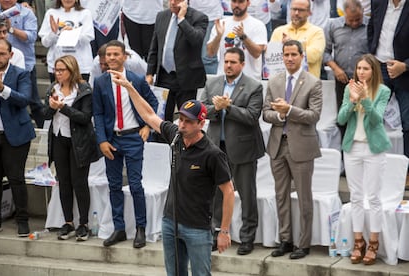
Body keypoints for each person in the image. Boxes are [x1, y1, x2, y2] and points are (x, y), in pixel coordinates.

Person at [108, 66, 234, 275]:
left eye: (188, 121)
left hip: (197, 227)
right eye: (181, 119)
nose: (182, 124)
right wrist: (129, 87)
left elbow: (228, 191)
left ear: (201, 123)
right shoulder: (176, 135)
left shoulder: (212, 153)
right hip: (170, 222)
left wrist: (225, 231)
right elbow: (149, 115)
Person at [92, 40, 158, 248]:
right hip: (111, 139)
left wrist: (147, 126)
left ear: (124, 57)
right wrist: (102, 140)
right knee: (113, 185)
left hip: (133, 137)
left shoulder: (136, 80)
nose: (111, 58)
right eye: (108, 55)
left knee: (136, 185)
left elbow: (153, 103)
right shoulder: (100, 82)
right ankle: (118, 228)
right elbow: (98, 113)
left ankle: (140, 228)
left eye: (115, 54)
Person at [200, 47, 264, 255]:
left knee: (247, 194)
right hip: (216, 148)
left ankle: (247, 237)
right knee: (215, 194)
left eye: (233, 62)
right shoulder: (212, 83)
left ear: (242, 64)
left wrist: (228, 108)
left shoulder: (253, 86)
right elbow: (199, 111)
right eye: (226, 61)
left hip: (244, 149)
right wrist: (216, 109)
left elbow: (252, 116)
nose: (228, 65)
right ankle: (216, 233)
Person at [262, 39, 322, 259]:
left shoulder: (313, 83)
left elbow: (313, 116)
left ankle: (303, 244)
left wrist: (289, 110)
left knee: (304, 196)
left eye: (293, 55)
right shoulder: (274, 81)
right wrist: (279, 115)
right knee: (281, 195)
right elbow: (265, 113)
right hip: (278, 144)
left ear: (301, 56)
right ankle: (285, 239)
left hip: (302, 146)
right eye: (286, 55)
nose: (289, 59)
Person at [337, 54, 392, 265]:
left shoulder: (383, 91)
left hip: (373, 148)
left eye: (365, 69)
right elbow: (341, 119)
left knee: (375, 197)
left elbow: (377, 120)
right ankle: (358, 241)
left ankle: (373, 243)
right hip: (352, 149)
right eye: (359, 68)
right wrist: (352, 100)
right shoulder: (349, 88)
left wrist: (365, 99)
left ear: (374, 71)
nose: (361, 72)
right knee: (356, 197)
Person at [43, 55, 100, 241]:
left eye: (62, 70)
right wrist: (52, 108)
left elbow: (85, 117)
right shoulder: (53, 88)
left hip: (79, 142)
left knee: (79, 182)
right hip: (59, 139)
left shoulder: (83, 90)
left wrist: (63, 108)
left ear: (71, 70)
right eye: (56, 70)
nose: (58, 74)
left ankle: (83, 223)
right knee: (64, 182)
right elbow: (45, 114)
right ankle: (68, 222)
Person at [0, 39, 35, 236]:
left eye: (2, 54)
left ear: (10, 55)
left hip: (15, 135)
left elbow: (24, 100)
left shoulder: (21, 74)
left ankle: (22, 220)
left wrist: (2, 88)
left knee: (16, 178)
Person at [368, 0, 409, 186]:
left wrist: (405, 65)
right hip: (379, 67)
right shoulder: (378, 2)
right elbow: (372, 29)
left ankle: (407, 172)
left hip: (404, 70)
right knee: (371, 118)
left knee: (408, 124)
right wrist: (372, 58)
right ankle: (371, 168)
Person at [146, 0, 208, 123]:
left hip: (186, 78)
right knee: (162, 118)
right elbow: (155, 47)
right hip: (164, 76)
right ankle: (162, 142)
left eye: (177, 0)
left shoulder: (199, 17)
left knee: (186, 119)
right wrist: (149, 73)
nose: (173, 2)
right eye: (171, 0)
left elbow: (196, 40)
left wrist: (181, 19)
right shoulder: (161, 16)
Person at [324, 0, 368, 138]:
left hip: (365, 80)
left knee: (363, 117)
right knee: (343, 117)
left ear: (363, 13)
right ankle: (345, 153)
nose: (355, 23)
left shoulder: (371, 25)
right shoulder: (333, 25)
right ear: (344, 15)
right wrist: (336, 69)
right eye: (351, 20)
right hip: (342, 79)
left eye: (358, 20)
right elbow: (325, 52)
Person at [0, 0, 44, 128]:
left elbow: (32, 37)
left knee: (33, 101)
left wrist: (11, 29)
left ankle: (45, 131)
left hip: (22, 64)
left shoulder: (26, 13)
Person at [207, 0, 267, 80]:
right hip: (224, 79)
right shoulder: (221, 24)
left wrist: (243, 37)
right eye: (234, 1)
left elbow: (257, 53)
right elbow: (210, 53)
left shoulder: (258, 25)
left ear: (248, 3)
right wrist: (218, 37)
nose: (236, 5)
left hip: (249, 81)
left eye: (240, 2)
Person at [38, 0, 94, 83]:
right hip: (58, 65)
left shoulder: (85, 13)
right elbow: (45, 43)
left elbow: (88, 37)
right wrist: (54, 33)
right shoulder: (51, 13)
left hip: (80, 66)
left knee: (80, 95)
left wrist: (72, 33)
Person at [271, 0, 325, 78]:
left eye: (301, 10)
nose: (296, 13)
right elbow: (273, 59)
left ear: (309, 12)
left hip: (308, 85)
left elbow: (313, 56)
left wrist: (291, 43)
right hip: (283, 83)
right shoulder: (278, 31)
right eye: (294, 9)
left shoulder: (317, 32)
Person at [189, 0, 222, 74]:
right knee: (192, 57)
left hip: (212, 17)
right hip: (193, 17)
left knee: (208, 58)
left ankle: (213, 83)